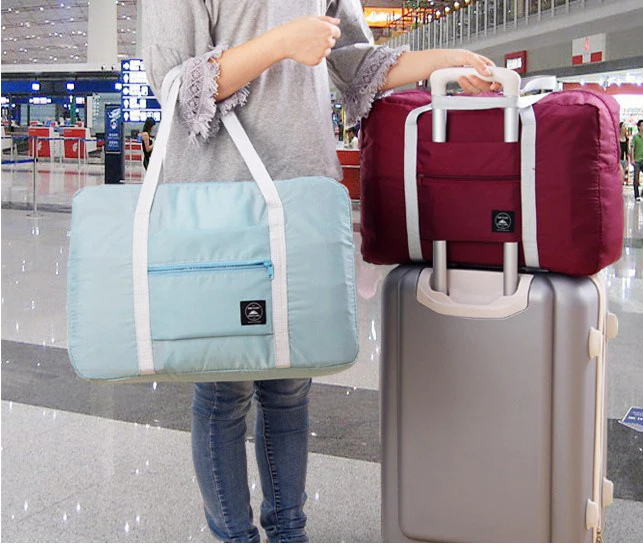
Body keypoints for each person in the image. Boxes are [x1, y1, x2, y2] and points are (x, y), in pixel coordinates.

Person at [144, 0, 500, 543]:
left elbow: (359, 66)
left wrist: (443, 60)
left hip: (305, 197)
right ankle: (235, 537)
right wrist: (282, 43)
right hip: (221, 204)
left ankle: (290, 531)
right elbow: (175, 85)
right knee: (224, 388)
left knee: (291, 386)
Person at [630, 119, 643, 202]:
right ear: (638, 127)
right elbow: (632, 148)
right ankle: (636, 195)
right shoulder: (635, 137)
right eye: (642, 125)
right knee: (636, 178)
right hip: (637, 161)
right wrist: (632, 159)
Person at [619, 122, 631, 186]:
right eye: (623, 126)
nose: (625, 128)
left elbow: (627, 150)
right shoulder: (617, 138)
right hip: (618, 159)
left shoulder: (626, 139)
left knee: (623, 176)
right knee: (620, 175)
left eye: (625, 127)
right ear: (620, 128)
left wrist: (629, 158)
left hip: (624, 159)